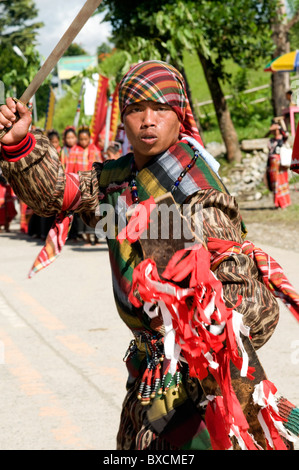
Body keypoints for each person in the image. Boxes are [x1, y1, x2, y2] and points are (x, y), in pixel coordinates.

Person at [0, 60, 298, 451]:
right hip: (145, 373)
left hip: (193, 384)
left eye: (160, 109)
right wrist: (20, 142)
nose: (147, 120)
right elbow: (57, 194)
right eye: (136, 109)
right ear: (123, 120)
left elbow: (251, 308)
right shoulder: (117, 179)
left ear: (180, 116)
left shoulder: (197, 192)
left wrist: (197, 342)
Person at [266, 121, 291, 209]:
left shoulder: (282, 139)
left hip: (281, 164)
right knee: (275, 183)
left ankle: (284, 203)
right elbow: (269, 153)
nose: (274, 132)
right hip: (272, 164)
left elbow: (286, 134)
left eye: (275, 130)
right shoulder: (271, 141)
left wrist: (280, 125)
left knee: (282, 182)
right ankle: (278, 203)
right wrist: (268, 166)